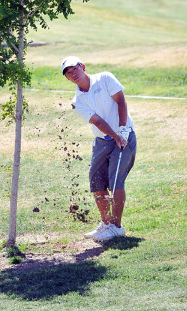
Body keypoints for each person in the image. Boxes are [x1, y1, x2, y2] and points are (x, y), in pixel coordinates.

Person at [61, 55, 136, 242]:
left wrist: (123, 130)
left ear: (83, 67)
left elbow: (121, 101)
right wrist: (115, 135)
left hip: (124, 133)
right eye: (68, 73)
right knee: (96, 183)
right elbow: (97, 121)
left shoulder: (105, 78)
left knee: (116, 179)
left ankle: (117, 227)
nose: (73, 74)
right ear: (67, 78)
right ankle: (106, 223)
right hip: (103, 140)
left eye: (74, 69)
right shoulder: (77, 101)